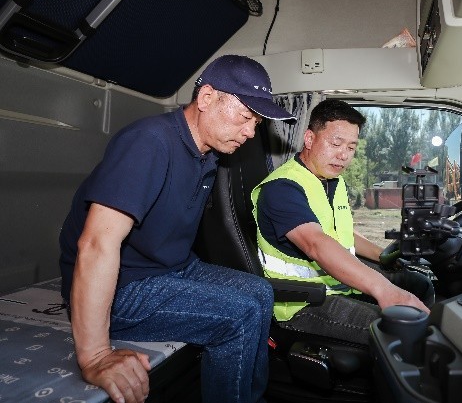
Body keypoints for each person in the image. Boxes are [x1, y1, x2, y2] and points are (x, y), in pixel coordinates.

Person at [59, 55, 295, 403]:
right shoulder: (149, 142)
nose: (250, 132)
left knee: (260, 293)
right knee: (239, 314)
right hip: (128, 284)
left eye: (256, 123)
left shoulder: (209, 153)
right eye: (246, 117)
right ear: (207, 98)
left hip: (174, 268)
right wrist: (95, 356)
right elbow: (96, 243)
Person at [252, 99, 435, 345]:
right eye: (336, 143)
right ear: (309, 139)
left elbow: (342, 233)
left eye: (351, 147)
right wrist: (383, 289)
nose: (343, 155)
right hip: (302, 303)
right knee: (402, 332)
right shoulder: (282, 189)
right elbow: (316, 243)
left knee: (418, 283)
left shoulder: (329, 181)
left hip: (334, 285)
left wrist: (382, 255)